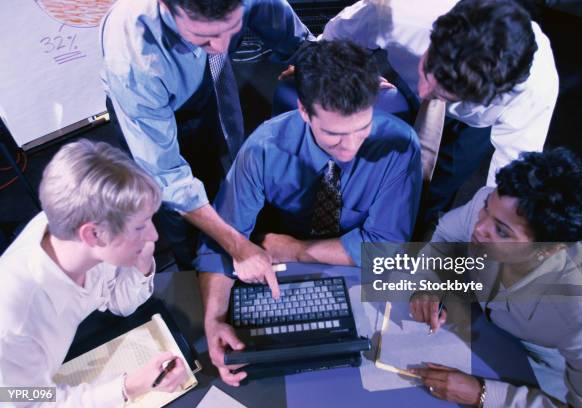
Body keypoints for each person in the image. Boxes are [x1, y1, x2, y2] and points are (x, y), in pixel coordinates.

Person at [198, 40, 422, 386]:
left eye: (362, 129)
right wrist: (214, 319)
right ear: (304, 111)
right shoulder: (263, 148)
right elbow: (223, 240)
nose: (350, 147)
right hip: (275, 270)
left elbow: (386, 247)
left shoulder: (400, 144)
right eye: (333, 134)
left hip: (348, 271)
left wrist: (297, 249)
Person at [100, 0, 313, 286]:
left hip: (212, 82)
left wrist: (335, 71)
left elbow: (293, 36)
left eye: (232, 28)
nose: (223, 45)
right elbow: (168, 176)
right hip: (162, 112)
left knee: (232, 172)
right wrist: (237, 246)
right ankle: (201, 283)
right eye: (204, 37)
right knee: (183, 222)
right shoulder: (133, 57)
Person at [319, 0, 559, 229]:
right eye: (427, 72)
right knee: (364, 164)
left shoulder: (535, 88)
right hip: (401, 85)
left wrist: (490, 230)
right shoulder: (402, 11)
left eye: (446, 93)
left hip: (471, 127)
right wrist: (326, 67)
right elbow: (338, 39)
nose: (426, 92)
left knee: (431, 194)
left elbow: (508, 178)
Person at [409, 148, 582, 407]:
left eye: (502, 231)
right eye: (485, 210)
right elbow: (444, 238)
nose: (480, 228)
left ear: (548, 249)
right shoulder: (492, 205)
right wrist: (427, 286)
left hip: (540, 373)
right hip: (477, 332)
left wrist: (482, 395)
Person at [0, 140, 187, 406]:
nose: (154, 236)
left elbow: (119, 302)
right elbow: (23, 399)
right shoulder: (14, 322)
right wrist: (127, 388)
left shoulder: (80, 234)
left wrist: (142, 260)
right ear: (93, 234)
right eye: (140, 227)